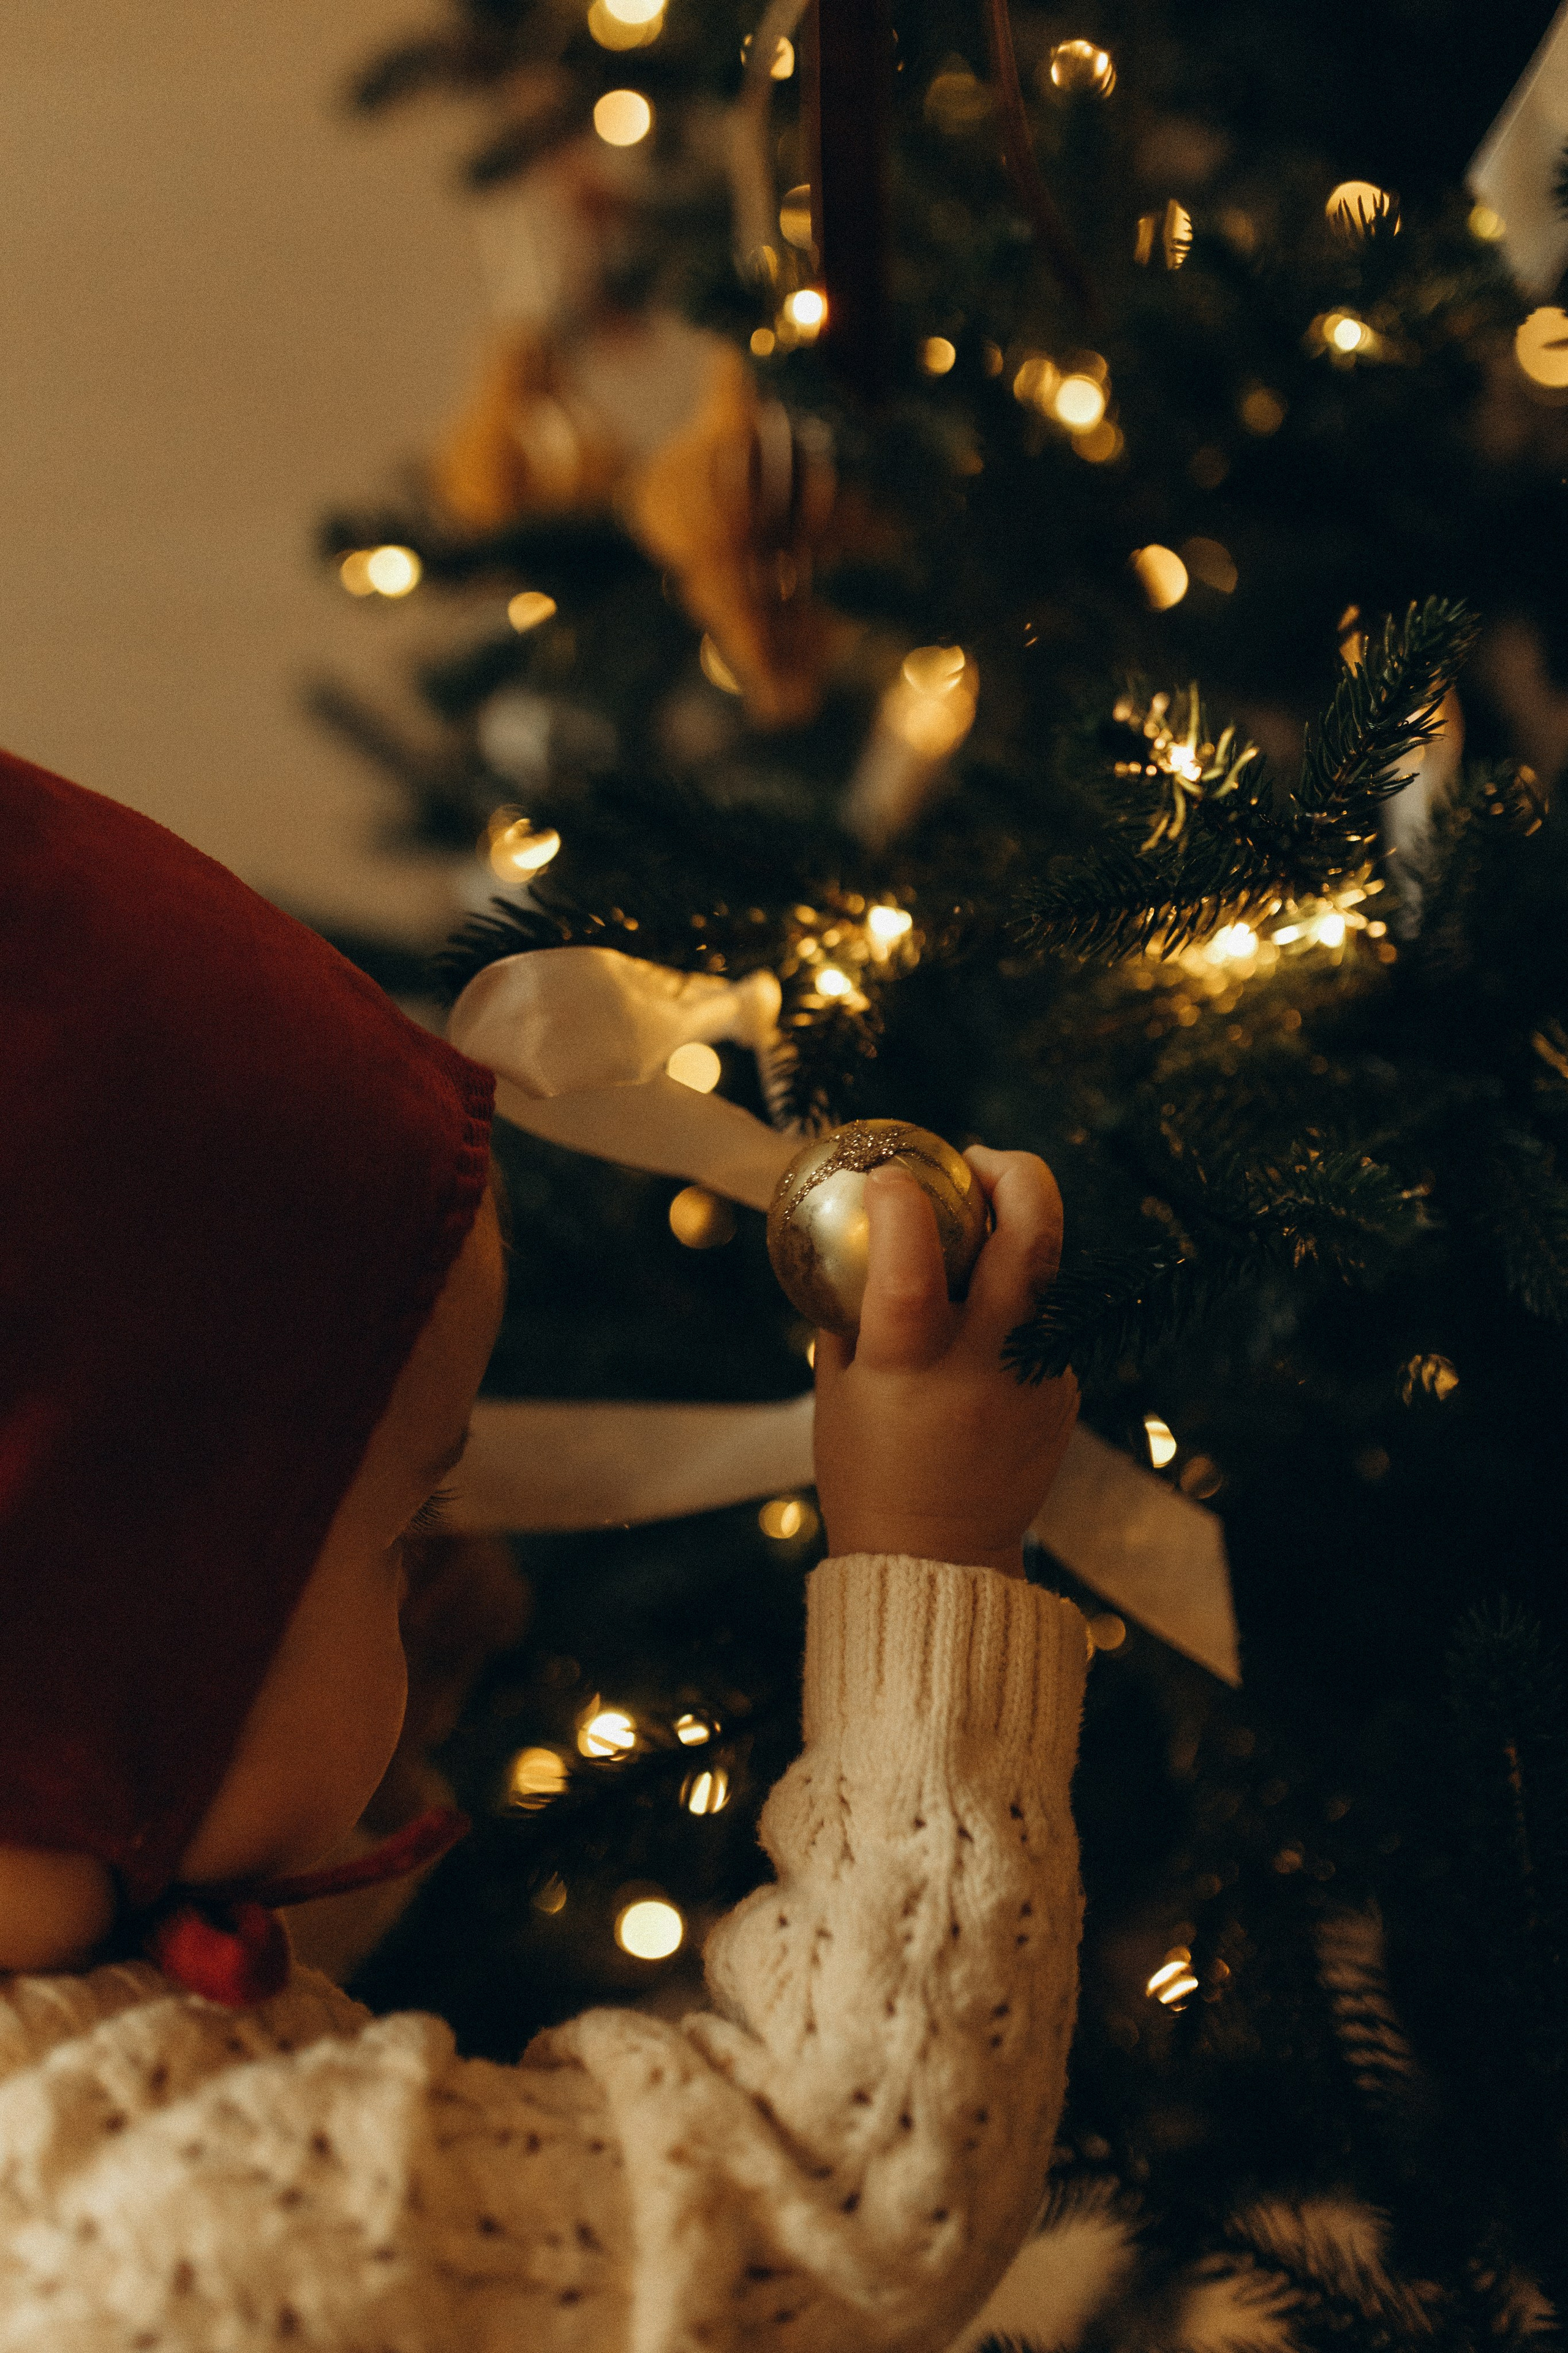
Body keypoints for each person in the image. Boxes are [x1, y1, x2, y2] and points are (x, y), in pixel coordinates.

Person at [0, 748, 1085, 2351]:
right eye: (391, 1530)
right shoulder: (193, 2216)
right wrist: (936, 1556)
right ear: (128, 1659)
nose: (433, 1569)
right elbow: (828, 2198)